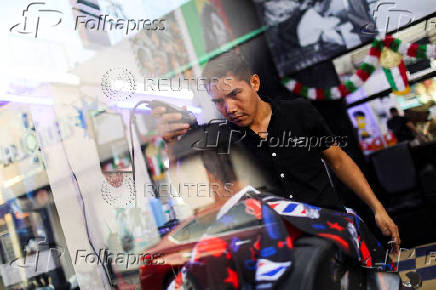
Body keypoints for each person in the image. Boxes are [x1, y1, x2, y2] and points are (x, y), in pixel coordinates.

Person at [152, 50, 400, 252]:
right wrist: (172, 144)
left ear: (254, 82)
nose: (229, 107)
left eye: (235, 94)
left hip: (332, 232)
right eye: (218, 101)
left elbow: (339, 160)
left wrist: (377, 207)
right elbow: (191, 186)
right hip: (282, 250)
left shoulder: (299, 112)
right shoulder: (223, 139)